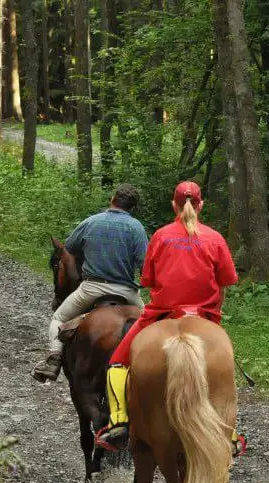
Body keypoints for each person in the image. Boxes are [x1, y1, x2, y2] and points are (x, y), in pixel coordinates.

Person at [95, 181, 239, 451]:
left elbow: (148, 280)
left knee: (116, 364)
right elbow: (225, 282)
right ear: (201, 205)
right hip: (205, 317)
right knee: (226, 371)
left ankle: (119, 423)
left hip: (161, 314)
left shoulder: (160, 236)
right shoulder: (215, 238)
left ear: (174, 205)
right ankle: (230, 434)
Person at [31, 184, 149, 383]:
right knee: (154, 325)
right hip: (127, 291)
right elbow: (145, 265)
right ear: (132, 208)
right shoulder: (136, 228)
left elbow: (69, 249)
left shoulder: (91, 222)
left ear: (112, 199)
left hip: (92, 288)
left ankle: (54, 360)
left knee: (58, 318)